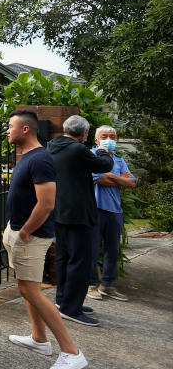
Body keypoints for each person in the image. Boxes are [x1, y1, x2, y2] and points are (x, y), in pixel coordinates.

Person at [4, 109, 87, 369]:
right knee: (28, 288)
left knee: (31, 291)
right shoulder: (28, 156)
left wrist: (26, 231)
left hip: (31, 236)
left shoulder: (40, 159)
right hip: (17, 230)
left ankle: (71, 352)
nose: (7, 130)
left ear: (25, 129)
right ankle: (39, 339)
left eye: (10, 126)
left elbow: (47, 203)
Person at [47, 115, 114, 326]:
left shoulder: (52, 146)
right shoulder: (77, 149)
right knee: (80, 261)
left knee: (64, 258)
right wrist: (104, 150)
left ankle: (63, 300)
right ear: (84, 134)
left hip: (60, 212)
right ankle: (71, 308)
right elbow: (103, 165)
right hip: (79, 214)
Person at [88, 125, 136, 301]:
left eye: (112, 136)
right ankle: (90, 285)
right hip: (96, 208)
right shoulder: (91, 156)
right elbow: (98, 179)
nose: (109, 139)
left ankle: (106, 285)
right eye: (105, 136)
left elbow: (132, 183)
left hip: (115, 210)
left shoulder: (119, 159)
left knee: (112, 250)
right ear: (96, 140)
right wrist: (120, 179)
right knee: (92, 248)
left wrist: (111, 176)